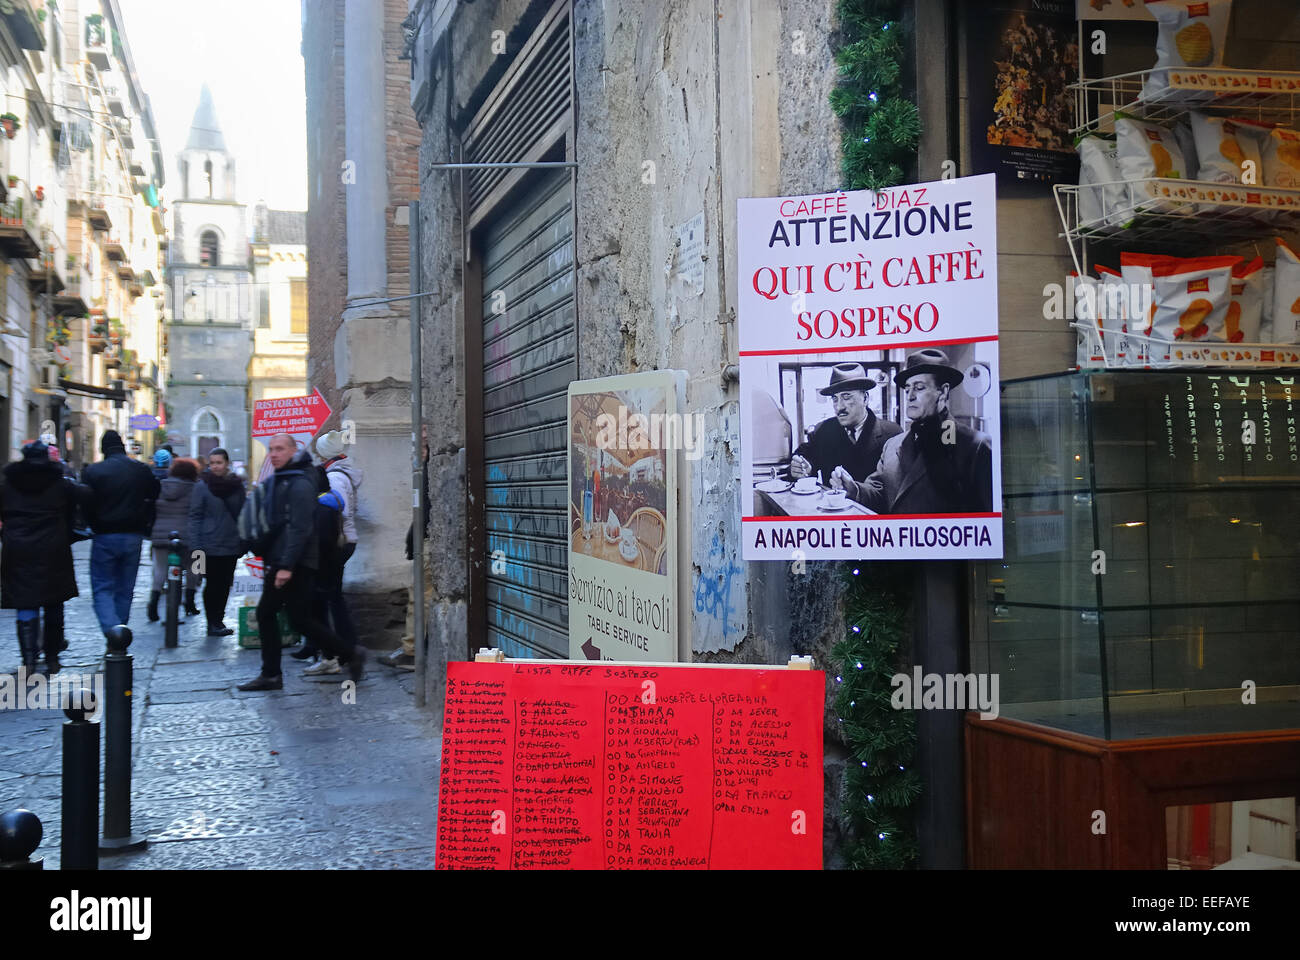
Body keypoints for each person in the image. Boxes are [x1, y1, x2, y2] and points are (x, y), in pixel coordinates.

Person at [237, 434, 363, 691]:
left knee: (269, 614)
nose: (274, 454)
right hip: (290, 560)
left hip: (293, 562)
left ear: (294, 450)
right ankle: (348, 653)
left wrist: (285, 566)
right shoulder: (289, 477)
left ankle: (272, 674)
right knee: (299, 619)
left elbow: (300, 528)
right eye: (271, 449)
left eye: (280, 449)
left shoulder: (300, 482)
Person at [836, 349, 994, 515]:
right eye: (907, 389)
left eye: (919, 388)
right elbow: (880, 494)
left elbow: (985, 523)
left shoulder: (974, 446)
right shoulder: (892, 445)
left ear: (944, 391)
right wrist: (854, 490)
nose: (910, 396)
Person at [1, 442, 83, 673]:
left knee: (24, 602)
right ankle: (52, 657)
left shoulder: (8, 484)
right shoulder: (60, 483)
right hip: (52, 547)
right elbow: (85, 497)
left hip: (17, 549)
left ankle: (28, 660)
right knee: (54, 602)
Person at [80, 430, 159, 637]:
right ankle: (119, 632)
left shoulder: (93, 472)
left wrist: (92, 524)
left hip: (104, 534)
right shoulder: (140, 469)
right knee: (125, 588)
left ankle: (112, 630)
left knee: (102, 586)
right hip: (133, 534)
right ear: (122, 446)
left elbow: (85, 503)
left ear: (103, 448)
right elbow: (154, 495)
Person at [294, 430, 363, 663]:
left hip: (334, 542)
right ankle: (324, 646)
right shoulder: (340, 472)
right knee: (327, 596)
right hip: (340, 540)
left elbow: (334, 512)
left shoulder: (335, 477)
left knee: (327, 597)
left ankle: (339, 650)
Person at [788, 363, 901, 491]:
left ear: (865, 398)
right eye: (835, 399)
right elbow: (803, 459)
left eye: (846, 397)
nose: (839, 407)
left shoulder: (892, 435)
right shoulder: (823, 431)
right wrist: (801, 468)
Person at [382, 425, 429, 671]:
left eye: (421, 441)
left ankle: (413, 651)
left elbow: (427, 509)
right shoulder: (424, 470)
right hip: (424, 541)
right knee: (418, 596)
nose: (416, 448)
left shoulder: (432, 468)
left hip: (429, 542)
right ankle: (412, 647)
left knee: (420, 597)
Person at [188, 447, 246, 636]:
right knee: (211, 584)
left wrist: (244, 539)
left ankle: (218, 620)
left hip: (231, 543)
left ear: (227, 463)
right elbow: (194, 516)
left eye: (219, 462)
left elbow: (243, 514)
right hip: (207, 545)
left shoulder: (237, 485)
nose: (215, 466)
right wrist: (195, 546)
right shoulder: (201, 486)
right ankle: (212, 622)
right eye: (212, 463)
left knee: (225, 584)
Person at [147, 458, 201, 622]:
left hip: (161, 535)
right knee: (196, 567)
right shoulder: (196, 489)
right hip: (188, 536)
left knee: (160, 569)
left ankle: (153, 604)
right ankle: (190, 602)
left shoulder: (161, 486)